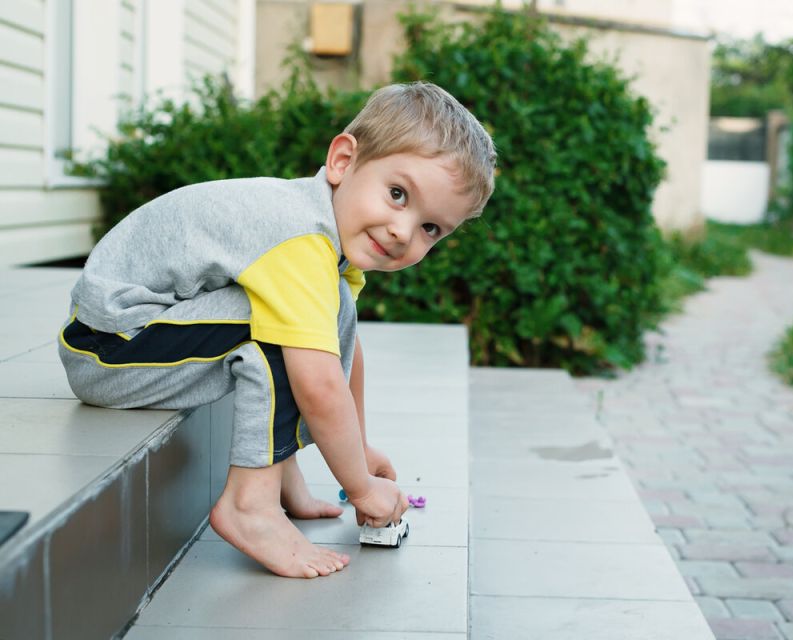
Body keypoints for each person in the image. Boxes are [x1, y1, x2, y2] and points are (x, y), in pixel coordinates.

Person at [58, 82, 497, 578]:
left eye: (430, 229)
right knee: (282, 336)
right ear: (343, 161)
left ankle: (281, 476)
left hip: (134, 333)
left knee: (314, 324)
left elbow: (342, 354)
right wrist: (361, 488)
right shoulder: (299, 238)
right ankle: (249, 505)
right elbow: (318, 384)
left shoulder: (321, 238)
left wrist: (361, 448)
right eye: (398, 195)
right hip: (108, 347)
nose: (403, 230)